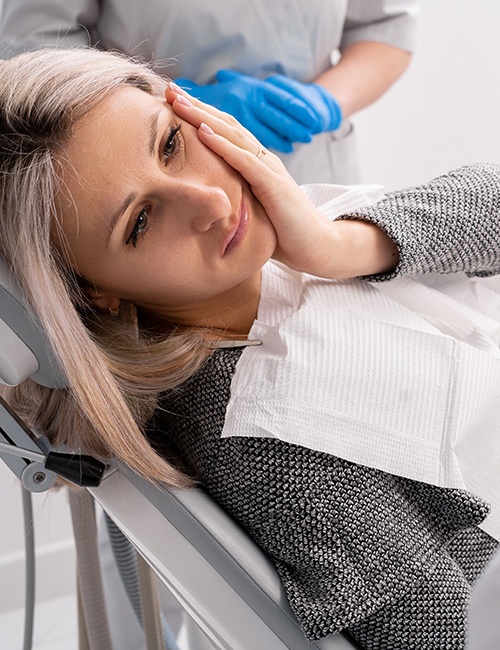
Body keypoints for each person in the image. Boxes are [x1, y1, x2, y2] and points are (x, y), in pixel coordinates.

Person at [0, 48, 499, 650]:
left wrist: (340, 248)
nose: (210, 204)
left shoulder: (301, 247)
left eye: (170, 144)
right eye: (139, 222)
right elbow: (443, 627)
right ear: (92, 293)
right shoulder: (264, 433)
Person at [0, 0, 419, 184]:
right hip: (167, 164)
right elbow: (31, 50)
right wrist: (170, 100)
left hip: (313, 165)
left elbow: (385, 27)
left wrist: (325, 101)